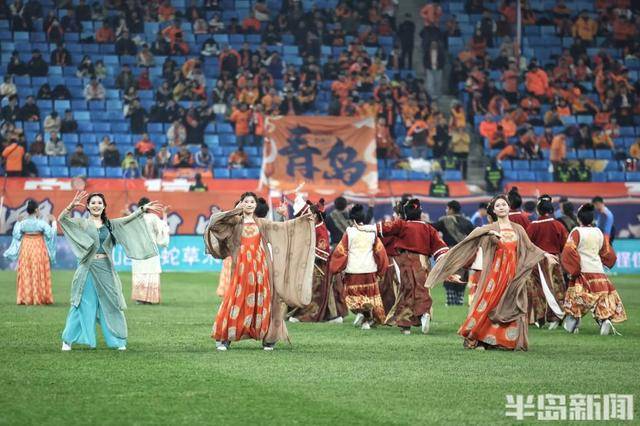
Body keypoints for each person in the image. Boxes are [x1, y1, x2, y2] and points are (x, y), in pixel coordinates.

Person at [425, 195, 559, 350]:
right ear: (494, 211)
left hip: (513, 274)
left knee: (512, 303)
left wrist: (545, 255)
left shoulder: (518, 229)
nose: (501, 207)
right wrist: (487, 234)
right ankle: (479, 339)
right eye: (498, 206)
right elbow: (475, 234)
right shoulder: (490, 228)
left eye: (504, 204)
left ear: (508, 207)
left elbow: (530, 247)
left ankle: (506, 341)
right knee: (490, 304)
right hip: (496, 274)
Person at [204, 192, 316, 351]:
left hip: (261, 268)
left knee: (264, 300)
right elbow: (214, 223)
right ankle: (224, 338)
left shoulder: (261, 223)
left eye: (252, 202)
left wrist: (293, 217)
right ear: (241, 203)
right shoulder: (235, 223)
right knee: (236, 299)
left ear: (256, 205)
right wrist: (235, 211)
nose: (249, 204)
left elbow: (283, 230)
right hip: (241, 268)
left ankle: (268, 340)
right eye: (246, 201)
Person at [59, 191, 162, 351]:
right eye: (93, 203)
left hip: (106, 268)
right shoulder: (82, 224)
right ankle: (67, 341)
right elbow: (62, 220)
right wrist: (70, 207)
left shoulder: (110, 225)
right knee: (82, 304)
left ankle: (118, 341)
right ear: (88, 206)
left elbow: (128, 220)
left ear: (104, 206)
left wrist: (142, 209)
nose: (96, 205)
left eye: (99, 203)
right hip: (87, 269)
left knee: (112, 304)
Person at [374, 199, 449, 334]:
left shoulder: (402, 225)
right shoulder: (428, 228)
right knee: (422, 289)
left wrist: (365, 228)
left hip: (405, 261)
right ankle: (424, 313)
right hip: (422, 262)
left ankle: (405, 325)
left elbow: (383, 229)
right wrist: (443, 261)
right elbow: (439, 247)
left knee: (406, 290)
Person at [561, 203, 626, 335]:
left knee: (577, 298)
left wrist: (573, 269)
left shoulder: (576, 231)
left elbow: (569, 251)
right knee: (601, 299)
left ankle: (574, 321)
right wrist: (608, 262)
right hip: (599, 272)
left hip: (583, 272)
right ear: (592, 219)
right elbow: (606, 251)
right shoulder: (598, 232)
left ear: (579, 218)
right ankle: (604, 320)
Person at [329, 204, 389, 331]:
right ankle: (367, 319)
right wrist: (382, 269)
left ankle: (362, 314)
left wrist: (335, 267)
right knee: (370, 297)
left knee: (352, 298)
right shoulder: (372, 232)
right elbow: (380, 251)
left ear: (352, 219)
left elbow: (341, 251)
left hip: (354, 271)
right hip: (370, 270)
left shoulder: (349, 232)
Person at [287, 196, 337, 323]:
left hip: (319, 267)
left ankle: (307, 315)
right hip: (310, 265)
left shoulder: (320, 228)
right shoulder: (312, 226)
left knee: (314, 292)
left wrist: (305, 251)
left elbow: (323, 251)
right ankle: (331, 316)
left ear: (314, 215)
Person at [525, 198, 568, 329]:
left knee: (539, 290)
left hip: (538, 261)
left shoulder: (533, 226)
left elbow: (528, 245)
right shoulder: (558, 225)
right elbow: (565, 244)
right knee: (557, 289)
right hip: (555, 260)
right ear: (551, 210)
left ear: (538, 210)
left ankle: (542, 317)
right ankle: (559, 316)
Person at [3, 200, 56, 305]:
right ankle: (39, 297)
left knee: (26, 271)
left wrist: (18, 222)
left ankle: (26, 297)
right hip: (38, 247)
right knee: (38, 271)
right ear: (36, 210)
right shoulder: (41, 223)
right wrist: (54, 222)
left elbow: (16, 235)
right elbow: (50, 235)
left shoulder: (23, 223)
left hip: (26, 248)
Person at [433, 200, 475, 306]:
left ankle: (451, 301)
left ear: (451, 209)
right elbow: (474, 235)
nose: (446, 210)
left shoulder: (445, 221)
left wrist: (422, 220)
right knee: (462, 276)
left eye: (447, 208)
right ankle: (459, 300)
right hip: (464, 253)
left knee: (450, 275)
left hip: (450, 253)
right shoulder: (467, 222)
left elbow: (431, 228)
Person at [131, 198, 170, 305]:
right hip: (150, 249)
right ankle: (150, 298)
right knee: (151, 272)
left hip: (138, 250)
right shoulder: (152, 217)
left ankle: (140, 298)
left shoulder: (134, 218)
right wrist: (165, 215)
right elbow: (162, 229)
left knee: (139, 273)